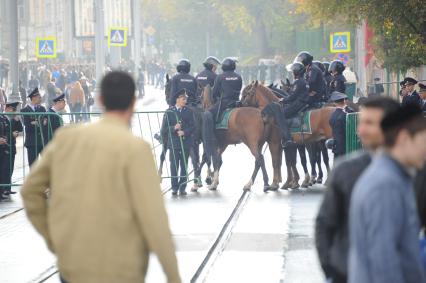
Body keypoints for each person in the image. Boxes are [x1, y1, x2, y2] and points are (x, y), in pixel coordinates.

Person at [21, 71, 181, 283]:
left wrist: (54, 238)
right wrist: (173, 277)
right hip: (121, 270)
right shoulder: (136, 149)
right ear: (133, 102)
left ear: (100, 100)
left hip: (73, 266)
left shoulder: (67, 139)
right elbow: (154, 220)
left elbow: (30, 191)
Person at [315, 97, 400, 283]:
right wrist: (332, 268)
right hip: (347, 273)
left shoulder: (412, 172)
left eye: (370, 123)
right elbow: (324, 223)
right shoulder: (345, 171)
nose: (360, 130)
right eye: (361, 123)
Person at [349, 103, 426, 283]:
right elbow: (383, 262)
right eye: (423, 142)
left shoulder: (393, 176)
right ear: (405, 138)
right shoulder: (386, 185)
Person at [162, 90, 195, 196]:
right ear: (177, 99)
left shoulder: (189, 111)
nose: (185, 101)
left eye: (185, 99)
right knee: (174, 166)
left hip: (185, 143)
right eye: (183, 99)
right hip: (174, 144)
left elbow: (193, 126)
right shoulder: (169, 112)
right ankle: (174, 187)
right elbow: (164, 129)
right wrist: (173, 128)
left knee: (184, 166)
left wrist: (184, 132)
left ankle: (182, 187)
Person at [0, 101, 23, 199]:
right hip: (4, 146)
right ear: (7, 109)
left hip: (10, 146)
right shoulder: (3, 118)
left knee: (9, 169)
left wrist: (17, 120)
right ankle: (3, 189)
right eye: (13, 110)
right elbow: (6, 133)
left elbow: (20, 129)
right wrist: (11, 135)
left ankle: (7, 188)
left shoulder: (11, 119)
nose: (14, 112)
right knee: (4, 170)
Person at [21, 88, 47, 166]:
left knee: (46, 164)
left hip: (42, 141)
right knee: (33, 165)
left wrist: (36, 123)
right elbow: (27, 125)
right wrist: (37, 123)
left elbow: (45, 124)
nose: (41, 99)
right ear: (34, 98)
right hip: (32, 142)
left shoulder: (42, 109)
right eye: (39, 97)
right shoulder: (24, 110)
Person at [328, 91, 349, 159]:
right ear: (344, 101)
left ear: (334, 103)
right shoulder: (351, 111)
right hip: (352, 147)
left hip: (339, 149)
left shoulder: (333, 117)